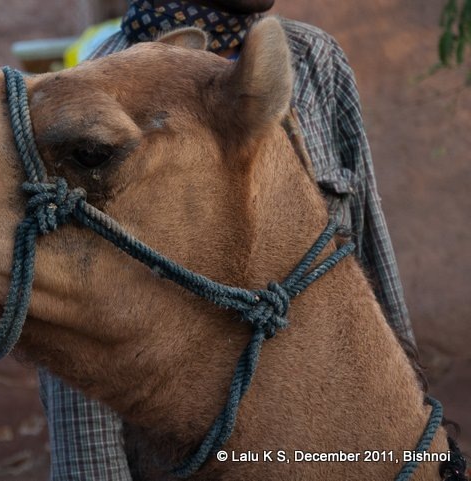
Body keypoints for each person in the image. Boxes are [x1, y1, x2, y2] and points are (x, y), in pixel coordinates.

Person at [39, 1, 415, 479]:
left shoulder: (312, 59)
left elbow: (367, 251)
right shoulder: (93, 94)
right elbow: (75, 321)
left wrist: (412, 436)